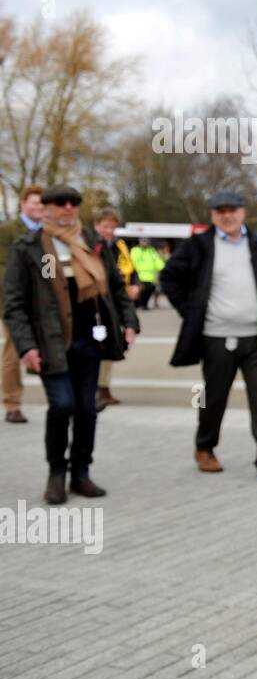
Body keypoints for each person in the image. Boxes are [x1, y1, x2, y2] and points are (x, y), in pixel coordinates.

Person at [3, 184, 139, 504]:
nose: (67, 208)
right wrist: (25, 346)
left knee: (87, 409)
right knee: (62, 405)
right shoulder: (29, 247)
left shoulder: (92, 244)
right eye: (60, 203)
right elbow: (14, 303)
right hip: (50, 342)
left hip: (89, 340)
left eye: (73, 203)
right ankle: (56, 473)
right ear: (46, 208)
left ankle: (81, 473)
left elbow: (117, 288)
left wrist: (129, 322)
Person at [158, 190, 257, 483]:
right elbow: (168, 277)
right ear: (212, 215)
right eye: (221, 211)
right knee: (213, 398)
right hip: (216, 337)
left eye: (232, 210)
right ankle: (204, 448)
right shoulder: (199, 246)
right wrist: (190, 310)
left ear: (243, 212)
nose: (227, 216)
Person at [1, 184, 44, 423]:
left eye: (41, 203)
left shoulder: (47, 233)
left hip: (42, 304)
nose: (38, 207)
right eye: (34, 202)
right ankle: (12, 402)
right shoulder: (8, 231)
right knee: (13, 349)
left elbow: (49, 268)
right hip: (14, 302)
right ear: (23, 204)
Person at [92, 206, 140, 411]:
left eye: (113, 227)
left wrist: (135, 284)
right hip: (97, 307)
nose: (109, 231)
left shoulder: (118, 246)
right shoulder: (93, 247)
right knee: (99, 349)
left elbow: (129, 270)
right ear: (96, 226)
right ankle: (98, 389)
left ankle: (103, 388)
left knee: (111, 347)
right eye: (105, 226)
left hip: (115, 304)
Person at [129, 237, 165, 309]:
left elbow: (158, 261)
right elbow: (132, 261)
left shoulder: (151, 251)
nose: (144, 243)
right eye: (143, 241)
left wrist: (164, 268)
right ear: (139, 242)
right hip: (138, 275)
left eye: (146, 241)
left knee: (150, 289)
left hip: (149, 277)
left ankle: (143, 304)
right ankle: (138, 304)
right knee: (139, 291)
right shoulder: (135, 250)